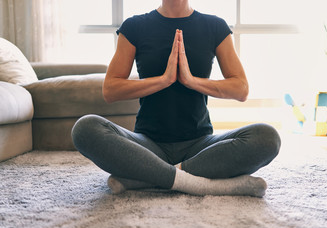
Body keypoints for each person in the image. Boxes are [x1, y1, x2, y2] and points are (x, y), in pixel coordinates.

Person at [71, 0, 281, 197]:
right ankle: (200, 183)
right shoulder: (134, 26)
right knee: (85, 128)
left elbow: (241, 88)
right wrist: (163, 80)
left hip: (201, 147)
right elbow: (110, 89)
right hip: (148, 146)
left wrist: (191, 80)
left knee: (267, 138)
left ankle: (147, 178)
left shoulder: (215, 26)